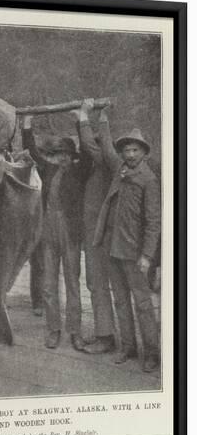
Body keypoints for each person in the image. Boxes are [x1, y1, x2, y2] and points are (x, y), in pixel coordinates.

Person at [94, 122, 161, 372]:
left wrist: (146, 255)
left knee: (143, 304)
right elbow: (108, 151)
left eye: (135, 150)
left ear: (143, 153)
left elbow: (154, 223)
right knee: (120, 301)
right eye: (127, 151)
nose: (130, 155)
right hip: (113, 248)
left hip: (135, 254)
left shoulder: (149, 180)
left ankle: (152, 353)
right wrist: (101, 121)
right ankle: (128, 346)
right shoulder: (119, 171)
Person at [22, 116, 91, 351]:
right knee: (48, 287)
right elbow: (31, 151)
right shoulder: (48, 170)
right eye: (59, 153)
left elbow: (89, 153)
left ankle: (75, 331)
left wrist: (81, 121)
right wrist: (27, 125)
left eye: (67, 154)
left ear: (73, 157)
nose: (63, 158)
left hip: (70, 235)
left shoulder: (80, 172)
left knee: (73, 285)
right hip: (47, 235)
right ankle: (53, 330)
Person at [70, 99, 116, 354]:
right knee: (95, 284)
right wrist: (81, 120)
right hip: (94, 235)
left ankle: (106, 337)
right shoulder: (101, 164)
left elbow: (89, 145)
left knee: (98, 284)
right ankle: (105, 332)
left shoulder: (107, 162)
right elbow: (87, 146)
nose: (91, 147)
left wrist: (85, 116)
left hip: (100, 237)